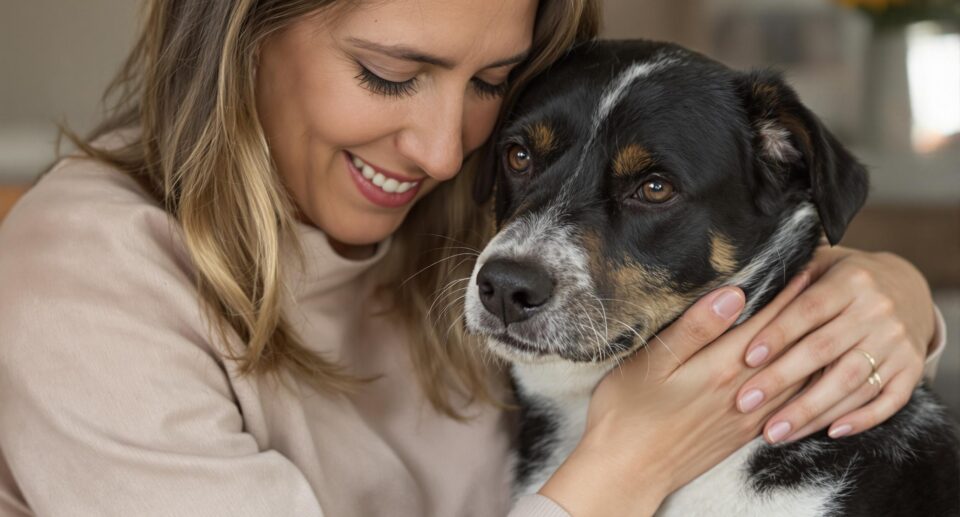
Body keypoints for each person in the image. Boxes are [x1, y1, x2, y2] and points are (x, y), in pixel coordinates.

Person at [0, 1, 946, 516]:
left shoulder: (442, 209)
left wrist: (895, 297)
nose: (444, 150)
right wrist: (627, 462)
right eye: (391, 74)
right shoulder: (84, 276)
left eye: (493, 86)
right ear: (244, 29)